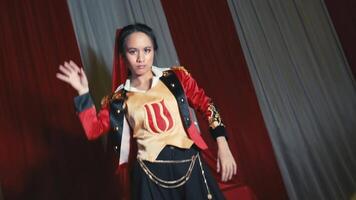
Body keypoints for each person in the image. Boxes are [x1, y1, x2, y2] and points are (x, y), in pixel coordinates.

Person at [56, 23, 237, 200]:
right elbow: (93, 130)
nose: (141, 58)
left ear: (154, 51)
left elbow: (206, 105)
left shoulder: (176, 78)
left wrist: (223, 145)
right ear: (123, 56)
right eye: (133, 51)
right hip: (150, 176)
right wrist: (83, 93)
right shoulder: (119, 98)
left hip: (190, 166)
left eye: (147, 50)